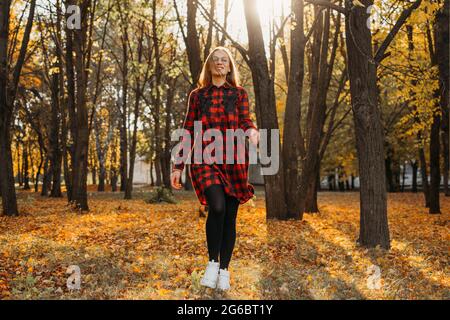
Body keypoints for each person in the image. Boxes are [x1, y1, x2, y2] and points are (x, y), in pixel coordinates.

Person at [170, 46, 259, 291]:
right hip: (205, 157)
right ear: (209, 67)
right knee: (217, 207)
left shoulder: (239, 94)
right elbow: (188, 130)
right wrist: (178, 166)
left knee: (230, 217)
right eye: (215, 61)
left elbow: (245, 119)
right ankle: (212, 262)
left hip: (234, 160)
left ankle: (224, 271)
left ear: (229, 67)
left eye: (224, 61)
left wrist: (251, 130)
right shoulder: (197, 96)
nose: (220, 63)